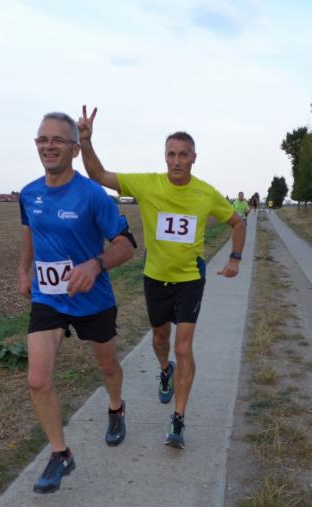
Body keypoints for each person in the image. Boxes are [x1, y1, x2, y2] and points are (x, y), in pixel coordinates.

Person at [78, 105, 246, 449]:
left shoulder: (206, 193)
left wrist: (235, 258)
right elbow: (98, 174)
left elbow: (237, 223)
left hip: (190, 279)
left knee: (183, 347)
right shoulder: (147, 184)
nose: (177, 161)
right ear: (165, 156)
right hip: (155, 278)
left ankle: (178, 419)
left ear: (194, 158)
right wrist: (85, 140)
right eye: (171, 154)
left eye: (183, 155)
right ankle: (164, 369)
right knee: (160, 339)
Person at [18, 111, 136, 493]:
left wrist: (95, 264)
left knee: (107, 365)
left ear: (73, 148)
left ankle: (116, 407)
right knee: (38, 380)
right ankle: (60, 453)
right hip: (48, 297)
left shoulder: (93, 195)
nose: (48, 146)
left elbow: (126, 246)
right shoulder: (29, 193)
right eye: (42, 139)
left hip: (92, 297)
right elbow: (30, 232)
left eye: (57, 140)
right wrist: (23, 271)